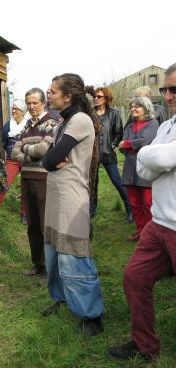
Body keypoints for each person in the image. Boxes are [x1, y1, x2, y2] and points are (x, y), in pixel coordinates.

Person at [108, 63, 176, 361]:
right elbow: (147, 170)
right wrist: (154, 155)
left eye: (174, 89)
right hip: (159, 222)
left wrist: (150, 154)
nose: (169, 95)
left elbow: (158, 156)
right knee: (134, 277)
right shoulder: (166, 126)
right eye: (165, 89)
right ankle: (145, 345)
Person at [41, 73, 104, 337]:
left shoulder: (79, 120)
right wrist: (53, 159)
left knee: (74, 256)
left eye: (53, 91)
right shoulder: (62, 121)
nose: (49, 93)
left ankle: (92, 316)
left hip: (71, 197)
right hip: (57, 195)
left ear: (68, 96)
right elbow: (54, 158)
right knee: (53, 252)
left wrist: (51, 160)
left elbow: (49, 159)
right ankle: (62, 297)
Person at [12, 88, 59, 277]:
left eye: (35, 103)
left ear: (43, 103)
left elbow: (42, 150)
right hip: (27, 178)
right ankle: (37, 264)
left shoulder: (51, 123)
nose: (31, 106)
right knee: (32, 224)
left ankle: (50, 266)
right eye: (28, 103)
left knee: (45, 223)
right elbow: (14, 152)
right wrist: (28, 153)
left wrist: (26, 152)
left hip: (44, 179)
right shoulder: (27, 125)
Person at [119, 96, 158, 241]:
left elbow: (146, 141)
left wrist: (127, 144)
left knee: (148, 204)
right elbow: (122, 146)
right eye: (132, 106)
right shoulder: (129, 126)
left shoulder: (153, 124)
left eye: (137, 106)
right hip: (130, 169)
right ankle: (141, 231)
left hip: (146, 169)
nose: (133, 109)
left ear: (146, 108)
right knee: (135, 204)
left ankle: (151, 235)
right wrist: (130, 145)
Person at [90, 87, 132, 222]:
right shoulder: (90, 114)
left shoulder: (114, 113)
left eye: (100, 96)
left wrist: (113, 145)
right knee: (92, 182)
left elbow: (119, 132)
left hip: (108, 153)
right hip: (92, 154)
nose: (96, 99)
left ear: (106, 98)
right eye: (95, 96)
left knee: (117, 181)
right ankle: (92, 209)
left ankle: (130, 210)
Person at [0, 98, 28, 224]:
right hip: (12, 160)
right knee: (4, 183)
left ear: (22, 111)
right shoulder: (8, 125)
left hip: (26, 160)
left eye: (16, 108)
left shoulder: (29, 123)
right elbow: (4, 142)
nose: (13, 110)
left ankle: (24, 213)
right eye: (13, 108)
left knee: (26, 187)